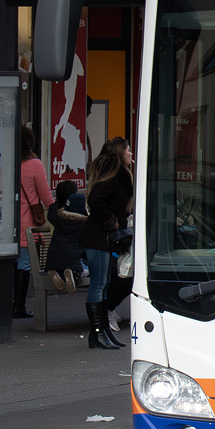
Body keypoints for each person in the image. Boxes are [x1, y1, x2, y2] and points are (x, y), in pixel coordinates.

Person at [80, 137, 131, 350]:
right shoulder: (116, 172)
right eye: (128, 150)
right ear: (120, 152)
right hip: (99, 235)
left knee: (104, 283)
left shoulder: (115, 171)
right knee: (99, 283)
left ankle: (101, 332)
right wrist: (111, 221)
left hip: (102, 236)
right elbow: (96, 200)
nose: (131, 154)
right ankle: (99, 332)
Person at [14, 126, 51, 320]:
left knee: (14, 264)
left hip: (8, 224)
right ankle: (19, 305)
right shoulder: (34, 164)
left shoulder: (8, 161)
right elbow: (45, 195)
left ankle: (11, 302)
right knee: (25, 263)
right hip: (28, 222)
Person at [45, 180, 88, 293]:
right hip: (73, 259)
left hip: (53, 259)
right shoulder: (83, 221)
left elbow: (53, 209)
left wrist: (60, 201)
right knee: (86, 268)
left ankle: (58, 274)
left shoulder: (56, 216)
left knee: (63, 267)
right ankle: (74, 275)